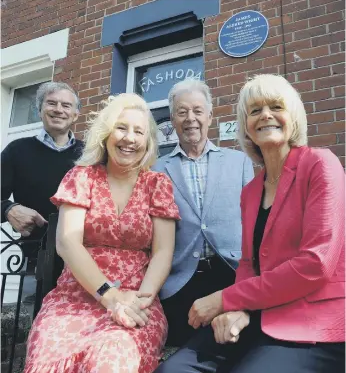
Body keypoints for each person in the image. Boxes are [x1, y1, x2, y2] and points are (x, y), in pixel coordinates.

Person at [156, 74, 345, 373]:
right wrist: (239, 309)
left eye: (276, 106)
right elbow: (248, 262)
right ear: (246, 124)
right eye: (255, 111)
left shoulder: (321, 165)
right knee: (173, 368)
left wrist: (227, 299)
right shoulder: (252, 190)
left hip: (314, 323)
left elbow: (315, 264)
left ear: (293, 115)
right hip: (258, 312)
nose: (266, 115)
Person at [24, 93, 180, 373]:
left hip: (137, 299)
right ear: (106, 133)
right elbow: (67, 242)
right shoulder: (81, 177)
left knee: (113, 357)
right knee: (47, 354)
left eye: (139, 131)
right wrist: (109, 296)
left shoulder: (157, 184)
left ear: (148, 141)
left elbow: (163, 251)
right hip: (75, 297)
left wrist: (139, 302)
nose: (129, 138)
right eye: (121, 128)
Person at [152, 79, 254, 347]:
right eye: (182, 112)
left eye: (198, 111)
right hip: (181, 279)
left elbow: (252, 222)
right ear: (173, 119)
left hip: (232, 274)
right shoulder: (155, 169)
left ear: (210, 115)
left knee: (242, 346)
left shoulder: (239, 162)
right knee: (188, 350)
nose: (190, 119)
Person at [1, 82, 83, 300]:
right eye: (51, 103)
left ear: (75, 115)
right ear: (39, 111)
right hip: (34, 263)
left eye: (66, 105)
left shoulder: (91, 155)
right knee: (33, 326)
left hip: (86, 262)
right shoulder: (17, 151)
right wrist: (8, 209)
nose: (58, 109)